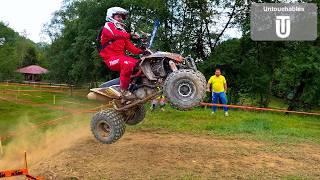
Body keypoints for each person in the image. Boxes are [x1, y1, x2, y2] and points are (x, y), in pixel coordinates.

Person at [99, 7, 144, 99]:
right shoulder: (108, 26)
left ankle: (134, 87)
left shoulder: (122, 32)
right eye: (118, 16)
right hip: (111, 59)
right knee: (128, 64)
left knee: (141, 65)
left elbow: (131, 48)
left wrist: (143, 50)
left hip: (121, 57)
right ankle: (123, 90)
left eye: (122, 17)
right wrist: (130, 35)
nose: (120, 19)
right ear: (111, 16)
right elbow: (113, 34)